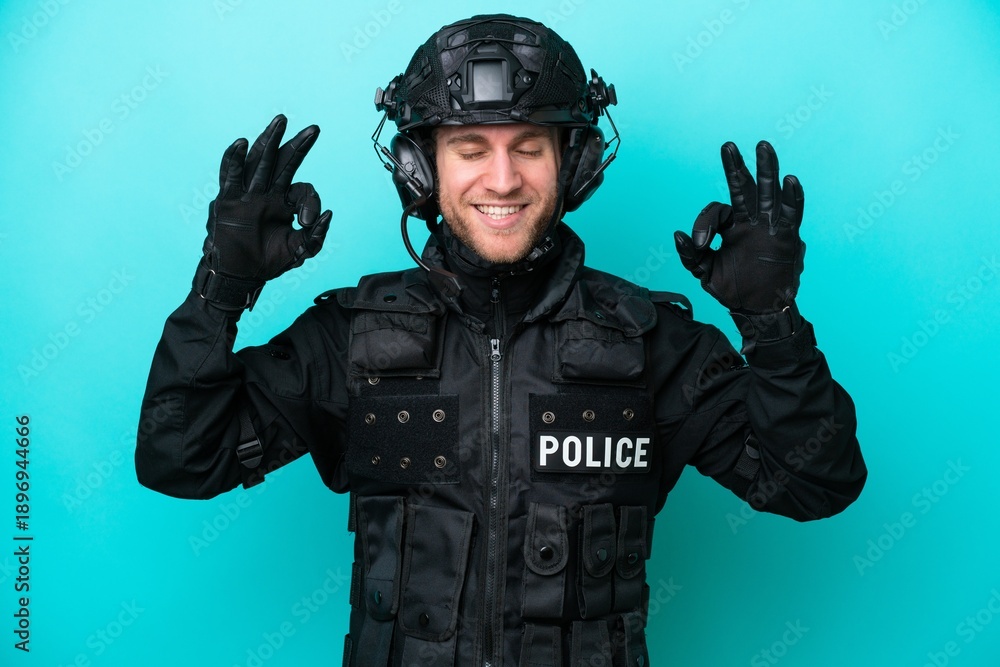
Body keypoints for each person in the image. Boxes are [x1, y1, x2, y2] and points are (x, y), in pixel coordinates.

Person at [135, 13, 866, 667]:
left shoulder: (654, 343)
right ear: (420, 167)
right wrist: (220, 290)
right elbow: (179, 458)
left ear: (574, 164)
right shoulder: (349, 338)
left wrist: (772, 323)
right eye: (468, 147)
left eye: (530, 147)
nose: (503, 178)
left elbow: (814, 483)